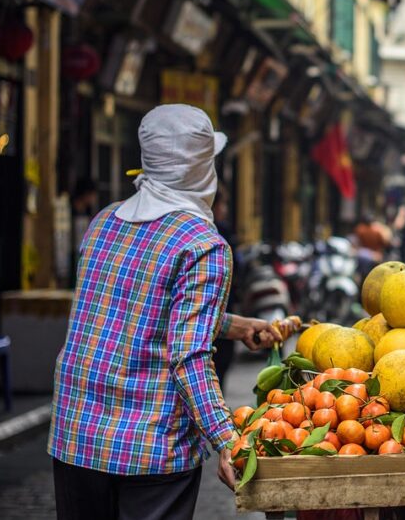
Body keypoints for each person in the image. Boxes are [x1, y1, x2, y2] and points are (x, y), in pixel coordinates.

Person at [49, 105, 280, 519]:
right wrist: (228, 439)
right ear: (204, 170)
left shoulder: (104, 222)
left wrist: (233, 325)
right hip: (150, 447)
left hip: (76, 436)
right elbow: (188, 355)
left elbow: (133, 311)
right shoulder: (203, 244)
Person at [211, 184, 236, 389]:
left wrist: (241, 326)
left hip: (223, 313)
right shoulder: (212, 239)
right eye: (223, 203)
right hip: (223, 306)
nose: (225, 209)